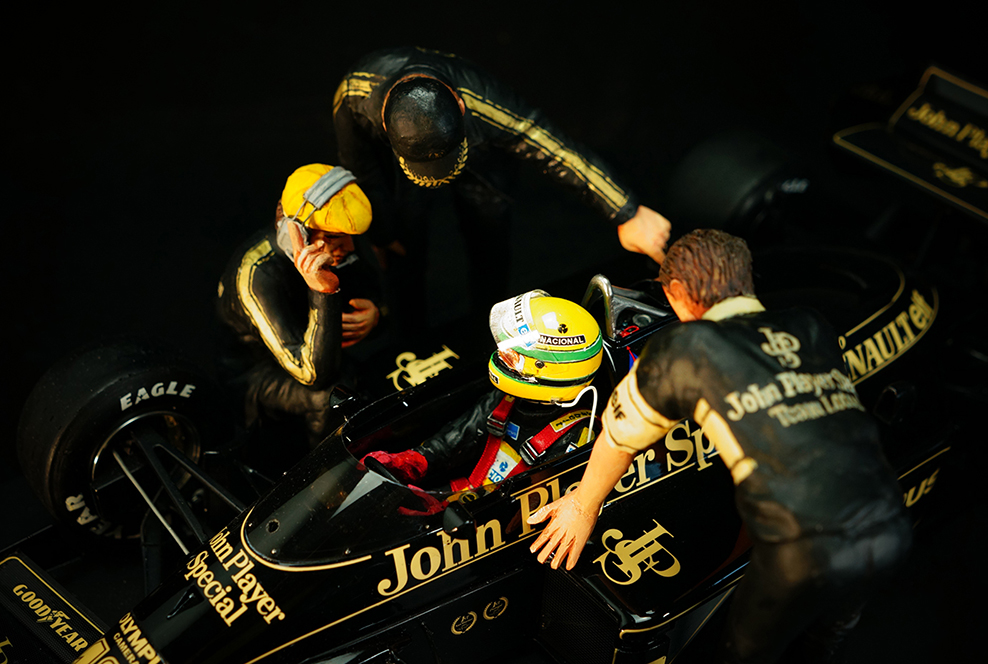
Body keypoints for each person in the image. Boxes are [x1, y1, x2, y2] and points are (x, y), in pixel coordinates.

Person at [527, 229, 912, 663]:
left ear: (676, 292)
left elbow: (619, 437)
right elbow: (805, 433)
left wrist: (582, 506)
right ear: (746, 278)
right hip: (892, 523)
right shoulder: (811, 324)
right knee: (826, 637)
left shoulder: (685, 349)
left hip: (803, 549)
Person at [333, 46, 672, 323]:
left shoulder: (484, 99)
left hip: (482, 158)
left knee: (489, 240)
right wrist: (381, 232)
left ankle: (492, 320)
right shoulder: (353, 96)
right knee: (399, 244)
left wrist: (624, 210)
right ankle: (406, 330)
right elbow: (362, 168)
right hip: (403, 168)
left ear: (461, 105)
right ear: (384, 124)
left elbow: (548, 144)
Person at [362, 290, 602, 492]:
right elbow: (463, 434)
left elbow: (534, 509)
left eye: (515, 355)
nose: (504, 353)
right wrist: (417, 460)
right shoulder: (509, 399)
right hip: (471, 496)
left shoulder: (579, 438)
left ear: (547, 368)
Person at [217, 164, 382, 448]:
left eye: (348, 235)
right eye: (333, 236)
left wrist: (376, 315)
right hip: (256, 373)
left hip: (311, 350)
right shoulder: (256, 277)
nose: (349, 247)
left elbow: (376, 294)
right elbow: (312, 375)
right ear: (298, 234)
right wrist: (323, 292)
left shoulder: (338, 244)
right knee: (331, 395)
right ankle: (326, 471)